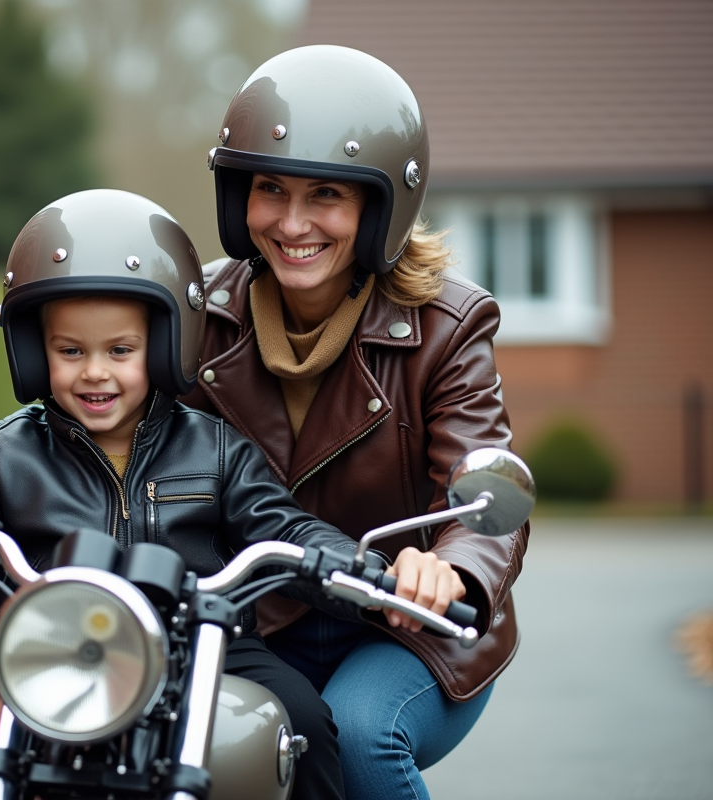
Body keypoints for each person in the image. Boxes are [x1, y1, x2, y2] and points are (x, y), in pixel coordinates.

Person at [0, 189, 373, 800]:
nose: (94, 372)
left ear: (165, 344)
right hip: (43, 647)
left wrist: (359, 569)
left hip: (202, 652)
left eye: (120, 350)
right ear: (34, 351)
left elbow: (286, 530)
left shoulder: (217, 449)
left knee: (302, 724)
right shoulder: (8, 453)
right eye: (69, 351)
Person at [181, 45, 530, 799]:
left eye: (327, 195)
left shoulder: (448, 324)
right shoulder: (195, 314)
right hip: (254, 616)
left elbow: (486, 489)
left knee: (358, 736)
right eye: (269, 188)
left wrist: (450, 565)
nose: (293, 222)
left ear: (381, 206)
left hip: (403, 626)